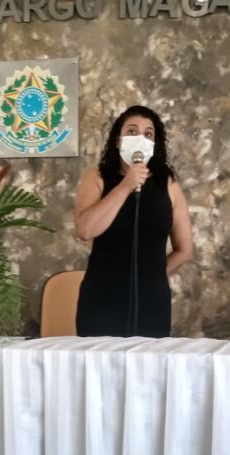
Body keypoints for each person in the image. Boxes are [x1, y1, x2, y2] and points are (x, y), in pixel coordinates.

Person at [73, 105, 193, 337]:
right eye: (132, 131)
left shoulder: (167, 184)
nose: (140, 138)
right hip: (102, 296)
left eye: (148, 134)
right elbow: (85, 230)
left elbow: (185, 250)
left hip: (152, 299)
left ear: (154, 144)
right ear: (118, 140)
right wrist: (126, 185)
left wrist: (151, 275)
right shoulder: (97, 178)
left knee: (149, 370)